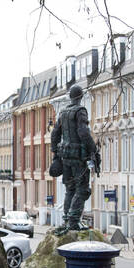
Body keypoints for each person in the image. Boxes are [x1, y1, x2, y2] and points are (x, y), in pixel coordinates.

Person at [50, 83, 100, 232]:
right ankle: (73, 221)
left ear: (70, 97)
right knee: (83, 189)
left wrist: (56, 154)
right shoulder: (80, 111)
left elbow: (54, 134)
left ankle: (67, 220)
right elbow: (83, 132)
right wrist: (94, 150)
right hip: (78, 157)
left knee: (70, 189)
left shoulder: (63, 113)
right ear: (81, 97)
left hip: (65, 157)